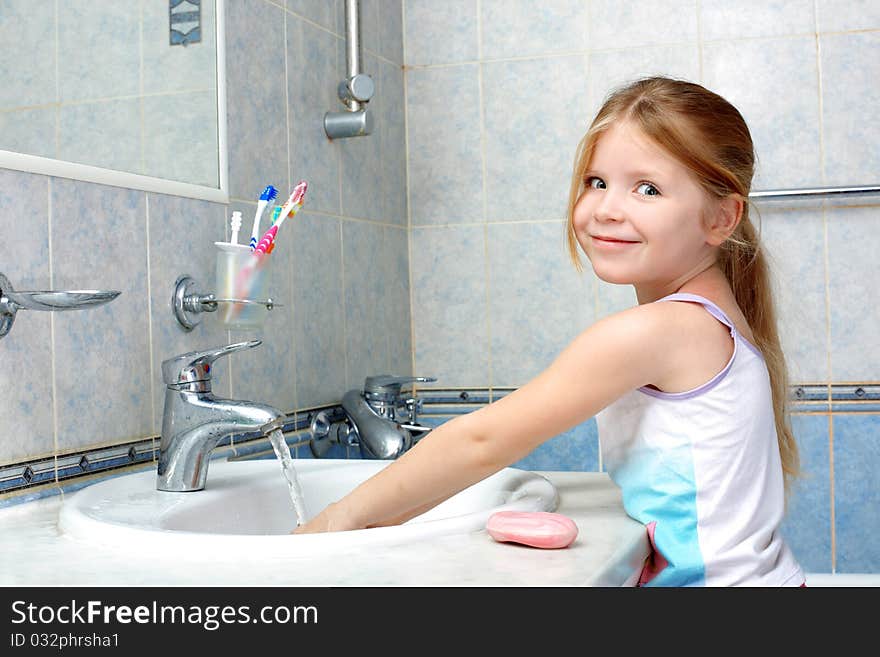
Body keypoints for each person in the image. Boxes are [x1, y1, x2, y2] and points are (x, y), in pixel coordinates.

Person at [295, 76, 806, 587]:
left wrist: (336, 519)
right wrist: (372, 521)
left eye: (647, 188)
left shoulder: (661, 330)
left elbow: (482, 441)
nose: (606, 207)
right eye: (596, 181)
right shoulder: (714, 317)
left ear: (722, 218)